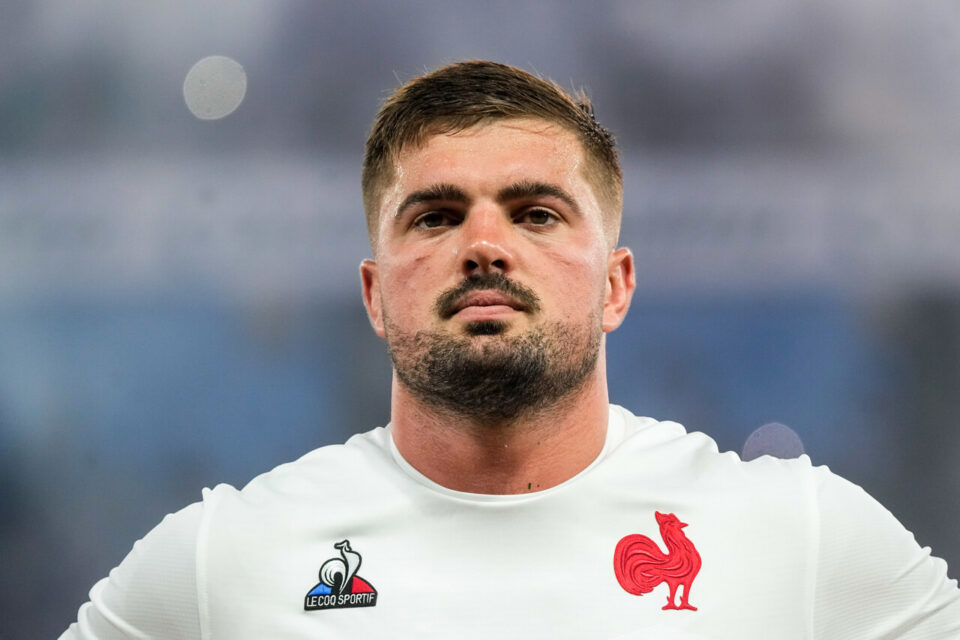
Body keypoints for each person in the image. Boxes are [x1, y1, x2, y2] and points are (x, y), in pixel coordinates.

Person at [61, 60, 959, 639]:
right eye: (436, 217)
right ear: (374, 295)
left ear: (616, 286)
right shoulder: (225, 562)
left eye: (535, 214)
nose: (484, 246)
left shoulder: (798, 538)